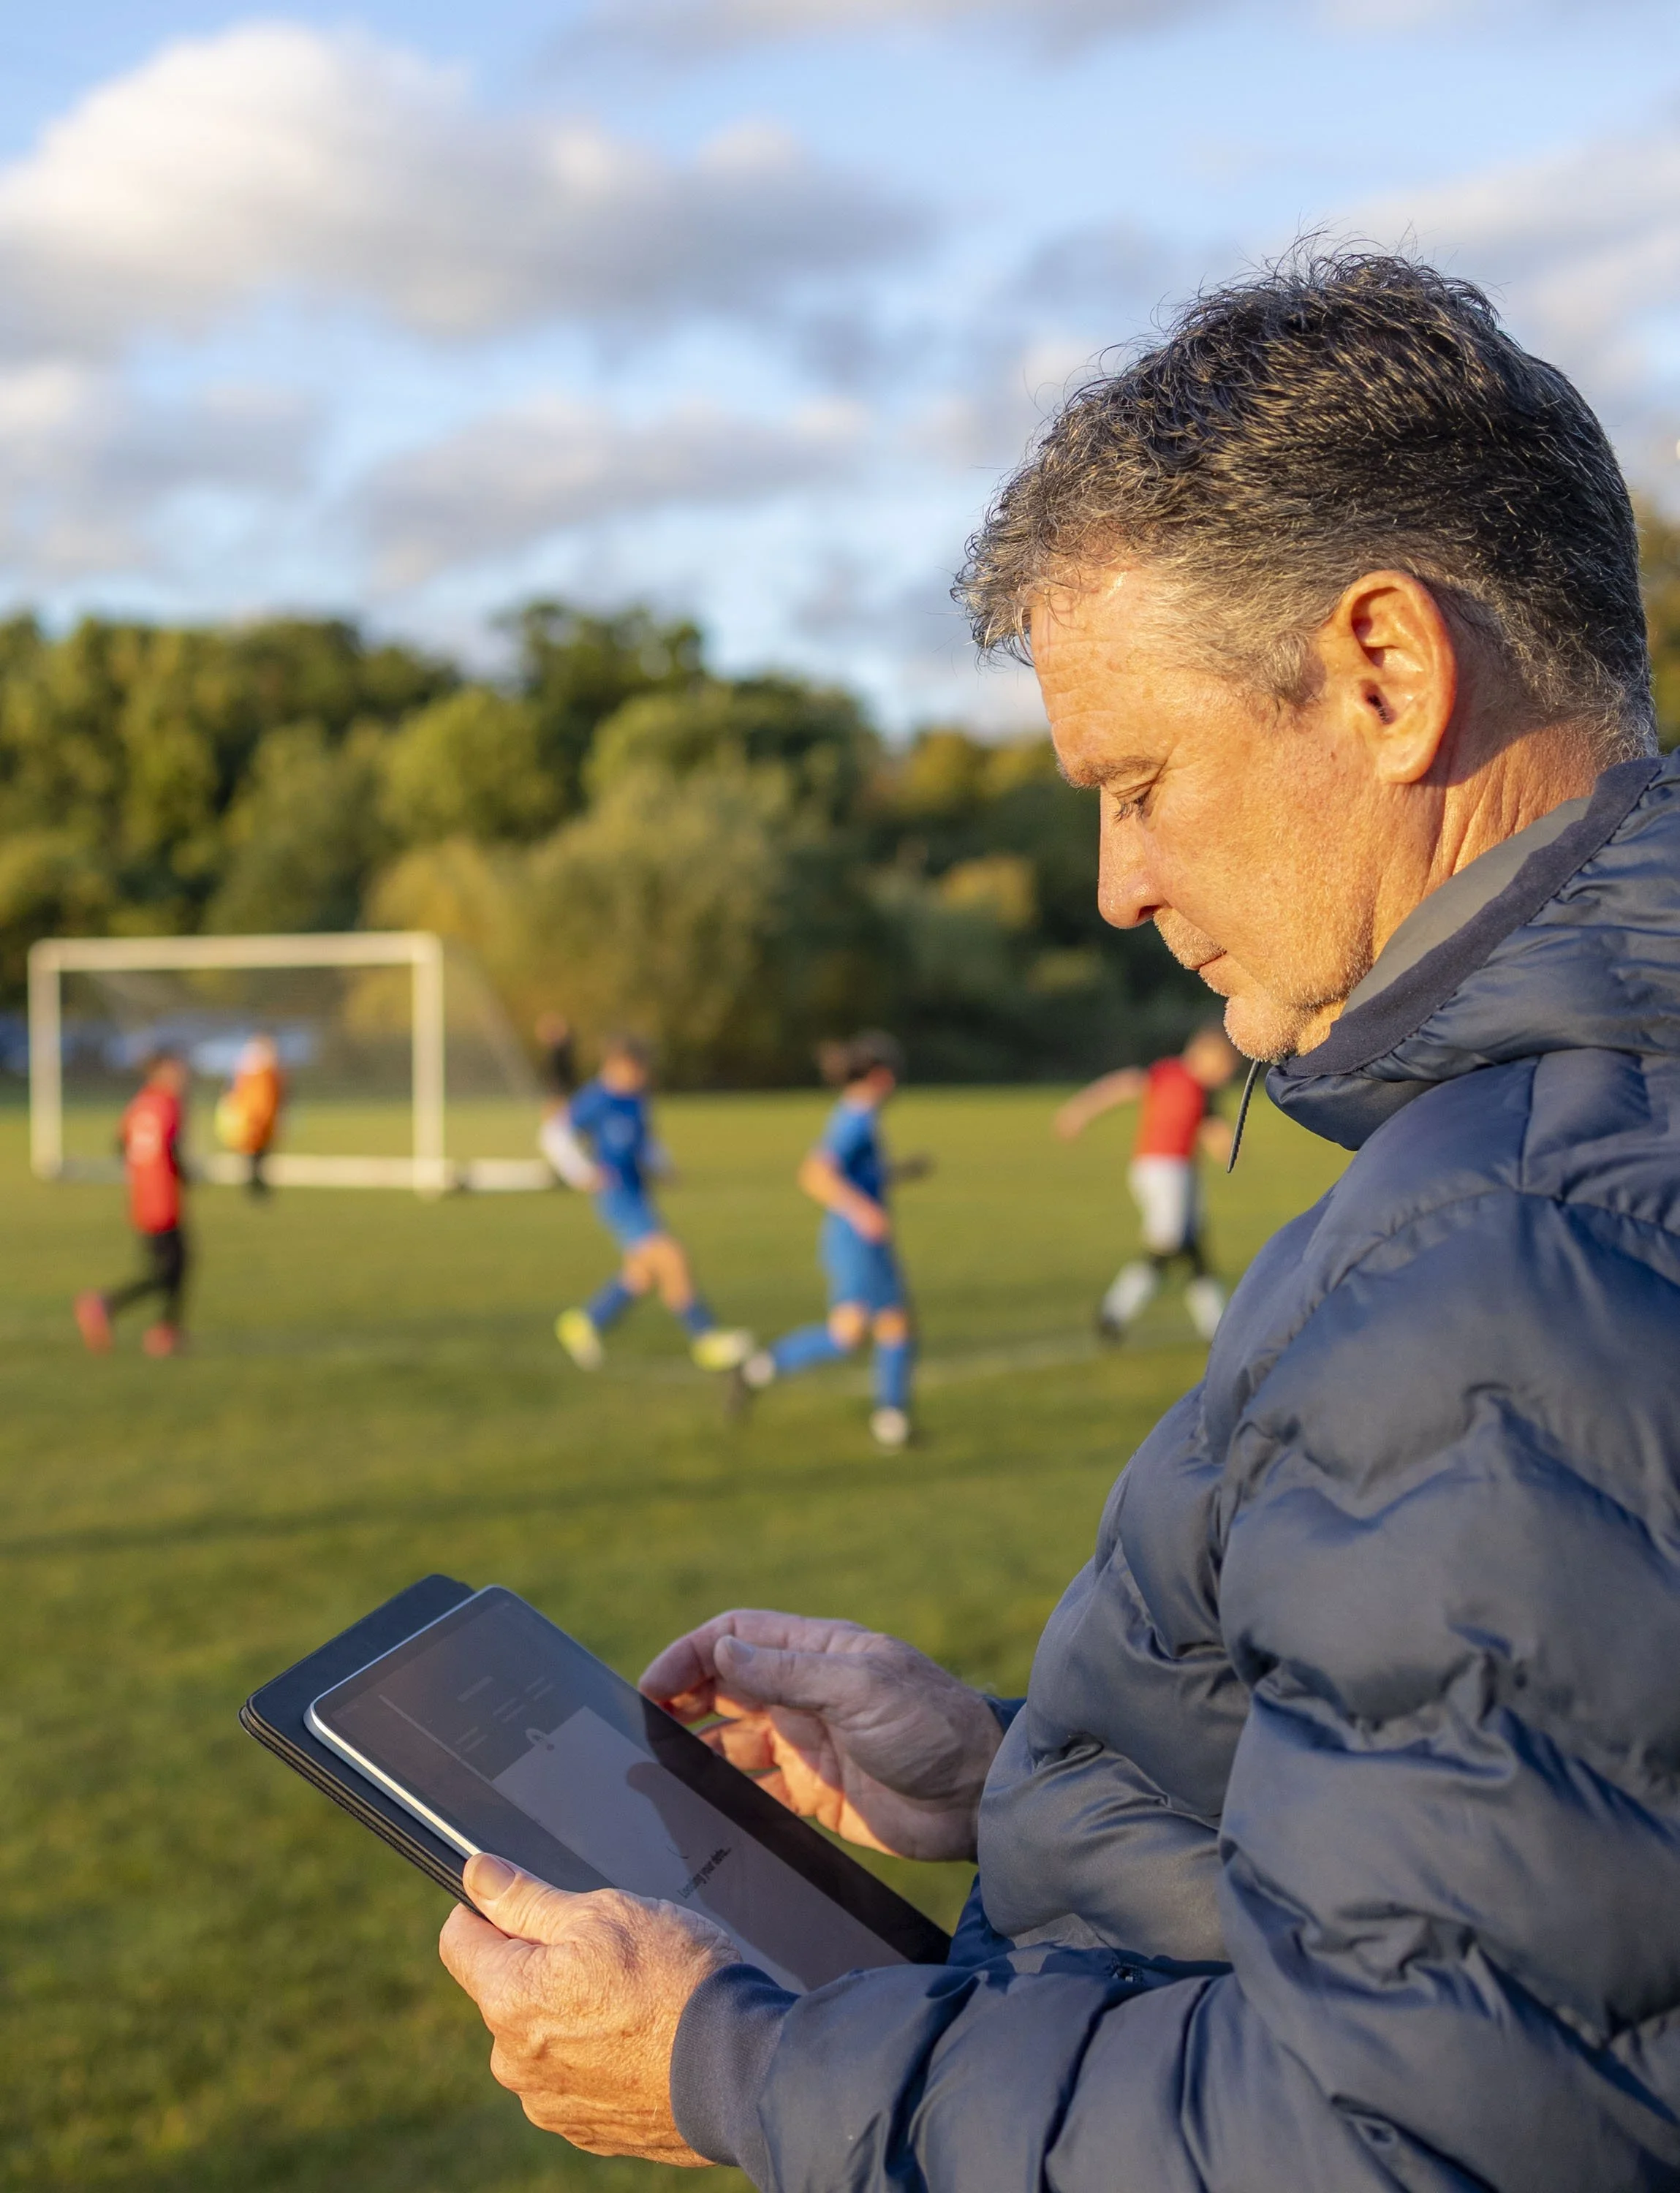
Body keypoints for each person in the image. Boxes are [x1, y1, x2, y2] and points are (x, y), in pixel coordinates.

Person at [437, 254, 1680, 2190]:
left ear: (1384, 672)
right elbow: (1566, 1870)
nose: (1115, 882)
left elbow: (1399, 2142)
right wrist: (1029, 1776)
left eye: (1139, 782)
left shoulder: (1502, 1257)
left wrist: (741, 2072)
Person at [730, 1031, 923, 1452]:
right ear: (879, 1076)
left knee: (850, 1336)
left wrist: (900, 1173)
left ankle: (757, 1369)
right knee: (892, 1325)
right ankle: (891, 1419)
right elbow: (815, 1173)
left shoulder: (860, 1115)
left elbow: (860, 1174)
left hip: (851, 1241)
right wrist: (864, 1212)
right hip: (857, 1241)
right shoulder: (855, 1117)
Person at [544, 1033, 751, 1374]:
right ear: (616, 1065)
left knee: (641, 1276)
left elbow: (645, 1143)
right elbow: (554, 1134)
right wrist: (581, 1172)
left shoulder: (637, 1099)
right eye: (635, 1068)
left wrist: (663, 1166)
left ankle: (585, 1323)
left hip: (639, 1194)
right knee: (672, 1256)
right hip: (618, 1197)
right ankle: (706, 1338)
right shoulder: (596, 1099)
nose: (640, 1075)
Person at [1054, 1023, 1240, 1341]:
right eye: (1224, 1066)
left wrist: (1227, 1148)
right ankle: (1113, 1313)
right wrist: (1080, 1111)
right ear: (1204, 1054)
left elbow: (1213, 1133)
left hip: (1185, 1173)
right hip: (1161, 1171)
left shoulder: (1204, 1093)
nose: (1226, 1075)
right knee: (1168, 1246)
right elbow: (1122, 1086)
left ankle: (1217, 1327)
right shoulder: (1168, 1073)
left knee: (1193, 1246)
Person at [75, 1050, 191, 1357]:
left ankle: (166, 1329)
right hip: (163, 1199)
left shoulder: (140, 1102)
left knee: (176, 1266)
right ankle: (107, 1307)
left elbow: (120, 1143)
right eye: (176, 1070)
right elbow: (170, 1145)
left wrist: (140, 1172)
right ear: (161, 1072)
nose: (182, 1076)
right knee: (170, 1270)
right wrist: (184, 1174)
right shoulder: (168, 1103)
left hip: (143, 1198)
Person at [213, 1033, 286, 1197]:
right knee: (254, 1148)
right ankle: (255, 1184)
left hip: (256, 1114)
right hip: (252, 1115)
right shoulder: (257, 1069)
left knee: (257, 1149)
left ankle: (256, 1182)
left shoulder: (254, 1068)